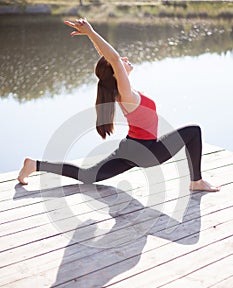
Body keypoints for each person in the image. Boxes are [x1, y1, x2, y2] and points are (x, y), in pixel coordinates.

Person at [18, 18, 220, 192]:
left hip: (130, 147)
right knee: (194, 131)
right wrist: (91, 32)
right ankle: (196, 181)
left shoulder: (118, 91)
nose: (124, 58)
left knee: (88, 175)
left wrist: (91, 37)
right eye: (120, 62)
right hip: (147, 151)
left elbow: (110, 61)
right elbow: (113, 59)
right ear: (116, 73)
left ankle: (35, 165)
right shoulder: (125, 93)